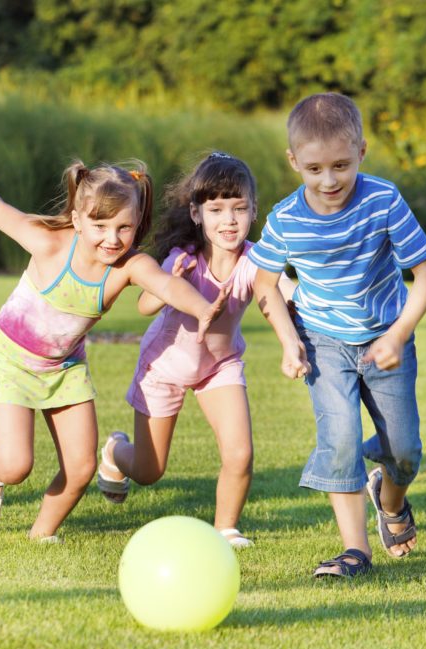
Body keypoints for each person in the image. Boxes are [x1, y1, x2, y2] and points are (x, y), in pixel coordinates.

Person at [0, 131, 227, 542]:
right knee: (16, 465)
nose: (112, 239)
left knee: (80, 468)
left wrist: (203, 308)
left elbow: (166, 285)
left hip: (64, 368)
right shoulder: (48, 244)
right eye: (100, 225)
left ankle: (40, 535)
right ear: (78, 219)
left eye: (124, 227)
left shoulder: (128, 267)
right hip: (10, 361)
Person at [249, 92, 426, 578]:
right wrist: (290, 341)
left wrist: (398, 335)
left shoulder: (383, 200)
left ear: (361, 152)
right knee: (339, 438)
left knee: (404, 450)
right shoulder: (285, 219)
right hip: (323, 343)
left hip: (384, 340)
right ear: (294, 161)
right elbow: (264, 283)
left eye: (340, 164)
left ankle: (390, 499)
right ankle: (355, 550)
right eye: (314, 169)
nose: (329, 180)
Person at [97, 152, 295, 549]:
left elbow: (281, 294)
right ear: (196, 212)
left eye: (239, 208)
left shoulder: (256, 260)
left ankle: (226, 529)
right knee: (150, 471)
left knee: (240, 453)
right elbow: (145, 306)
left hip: (219, 367)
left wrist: (301, 325)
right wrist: (169, 281)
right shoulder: (183, 258)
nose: (229, 220)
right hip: (164, 367)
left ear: (254, 210)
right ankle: (115, 451)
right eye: (217, 209)